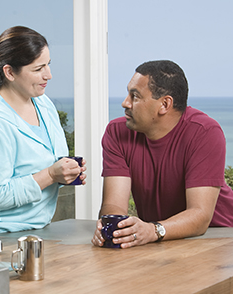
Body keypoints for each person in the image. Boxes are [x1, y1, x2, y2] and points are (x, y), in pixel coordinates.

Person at [92, 60, 233, 248]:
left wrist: (152, 230)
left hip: (219, 237)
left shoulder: (204, 132)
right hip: (160, 239)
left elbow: (200, 215)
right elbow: (114, 205)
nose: (125, 103)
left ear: (164, 104)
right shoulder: (117, 132)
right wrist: (112, 229)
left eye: (135, 96)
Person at [0, 26, 86, 233]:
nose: (48, 75)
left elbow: (42, 168)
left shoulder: (43, 104)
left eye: (48, 65)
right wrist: (50, 175)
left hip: (38, 230)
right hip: (1, 236)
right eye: (38, 69)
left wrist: (64, 174)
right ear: (10, 72)